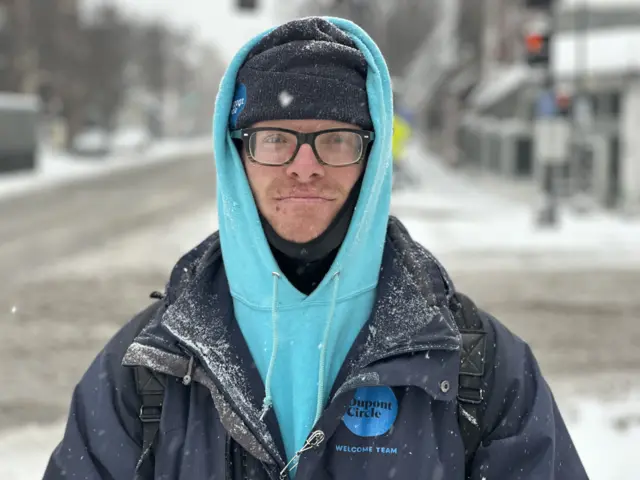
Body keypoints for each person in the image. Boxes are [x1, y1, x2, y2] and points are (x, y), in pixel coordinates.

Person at [44, 17, 588, 480]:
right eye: (276, 139)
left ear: (371, 159)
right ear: (238, 157)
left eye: (335, 139)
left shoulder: (479, 368)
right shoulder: (147, 369)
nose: (305, 165)